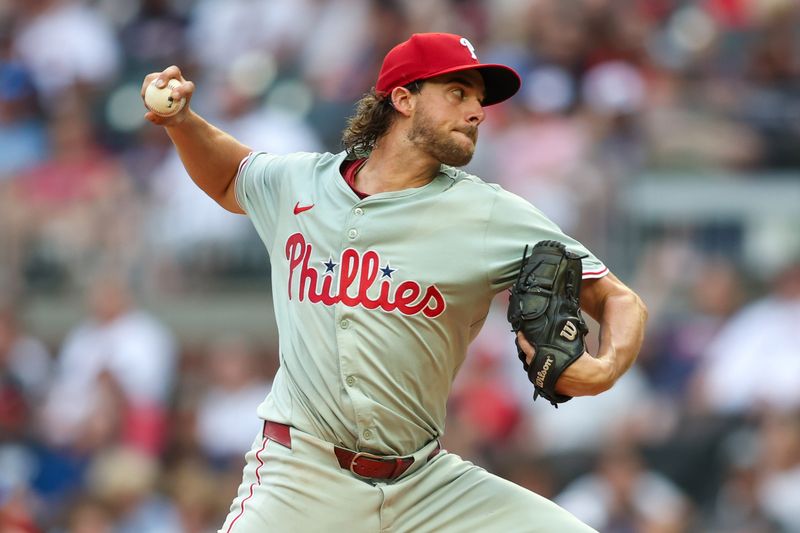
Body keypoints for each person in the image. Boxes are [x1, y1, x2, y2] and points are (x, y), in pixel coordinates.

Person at [142, 32, 647, 533]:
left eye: (478, 100)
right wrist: (180, 121)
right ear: (403, 99)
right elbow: (231, 176)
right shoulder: (300, 184)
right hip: (303, 477)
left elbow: (618, 298)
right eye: (457, 93)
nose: (477, 112)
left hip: (426, 486)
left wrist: (602, 370)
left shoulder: (489, 213)